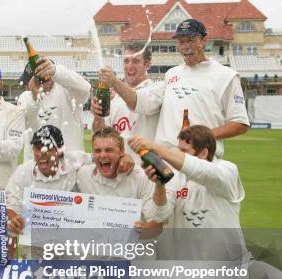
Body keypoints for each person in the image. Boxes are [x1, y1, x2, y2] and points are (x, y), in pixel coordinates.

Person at [129, 126, 282, 279]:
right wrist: (159, 185)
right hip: (181, 271)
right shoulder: (174, 177)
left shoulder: (227, 171)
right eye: (176, 150)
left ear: (203, 152)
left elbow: (202, 172)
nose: (176, 155)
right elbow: (159, 215)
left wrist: (154, 147)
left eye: (183, 150)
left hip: (229, 269)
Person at [99, 18, 249, 158]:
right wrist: (115, 83)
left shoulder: (226, 76)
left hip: (200, 159)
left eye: (190, 40)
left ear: (204, 40)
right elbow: (139, 102)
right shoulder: (172, 74)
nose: (185, 47)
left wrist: (205, 135)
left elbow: (240, 124)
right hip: (166, 158)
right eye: (181, 42)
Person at [6, 125, 134, 236]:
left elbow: (102, 157)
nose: (41, 153)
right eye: (37, 148)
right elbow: (11, 204)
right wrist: (13, 219)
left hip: (68, 243)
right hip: (35, 243)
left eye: (48, 148)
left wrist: (124, 157)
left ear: (60, 151)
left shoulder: (74, 160)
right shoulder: (22, 172)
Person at [76, 128, 171, 228]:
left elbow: (157, 226)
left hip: (132, 242)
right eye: (98, 151)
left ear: (122, 152)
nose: (103, 155)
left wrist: (136, 233)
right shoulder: (82, 175)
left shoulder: (141, 178)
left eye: (109, 150)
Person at [92, 43, 159, 162]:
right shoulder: (115, 98)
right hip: (118, 172)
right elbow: (100, 133)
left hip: (146, 171)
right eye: (126, 61)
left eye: (135, 61)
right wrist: (98, 115)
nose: (130, 66)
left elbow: (136, 101)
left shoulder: (156, 89)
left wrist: (114, 81)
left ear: (147, 65)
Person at [17, 57, 92, 155]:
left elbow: (86, 89)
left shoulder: (67, 92)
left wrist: (56, 72)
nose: (29, 86)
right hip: (39, 164)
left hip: (69, 163)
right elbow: (27, 124)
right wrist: (35, 98)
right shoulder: (25, 98)